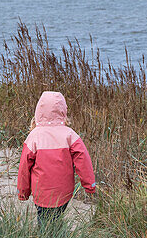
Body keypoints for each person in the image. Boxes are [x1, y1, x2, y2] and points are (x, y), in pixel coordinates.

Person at [16, 91, 96, 226]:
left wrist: (23, 192)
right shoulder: (70, 135)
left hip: (41, 192)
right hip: (64, 192)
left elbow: (24, 167)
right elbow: (84, 161)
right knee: (56, 217)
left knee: (44, 221)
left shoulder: (34, 136)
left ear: (39, 111)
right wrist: (89, 185)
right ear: (63, 111)